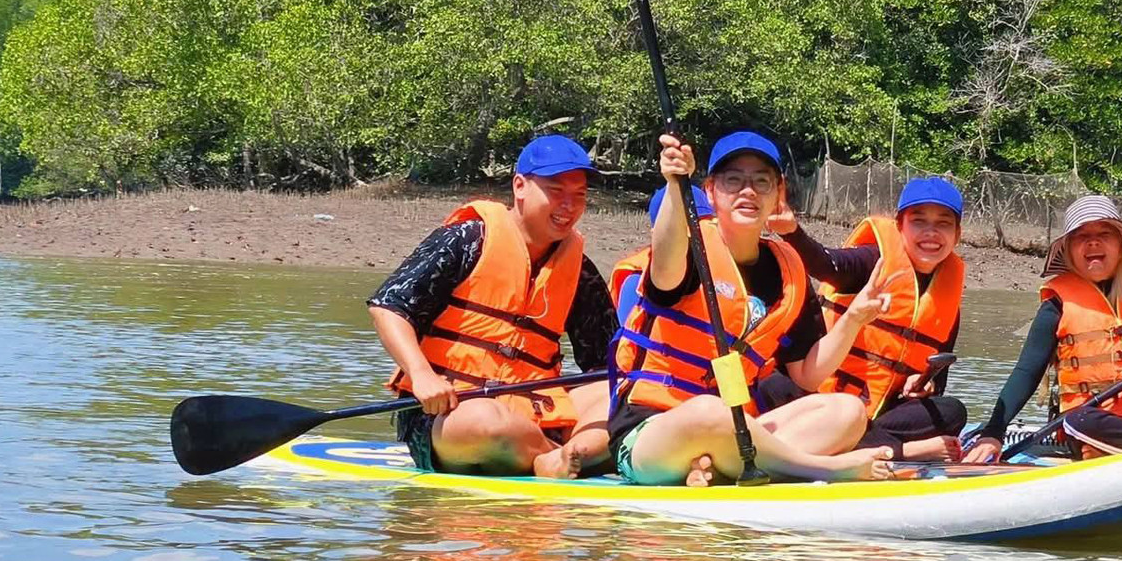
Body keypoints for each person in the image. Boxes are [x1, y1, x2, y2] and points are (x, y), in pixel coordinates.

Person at [604, 130, 897, 486]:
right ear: (710, 191)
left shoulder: (789, 269)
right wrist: (675, 185)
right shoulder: (689, 250)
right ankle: (823, 469)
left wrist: (854, 318)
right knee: (709, 412)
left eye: (761, 182)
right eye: (734, 181)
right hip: (651, 432)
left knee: (847, 411)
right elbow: (664, 269)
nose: (748, 191)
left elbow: (808, 375)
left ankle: (720, 468)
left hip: (738, 430)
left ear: (778, 194)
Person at [367, 134, 616, 478]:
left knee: (619, 395)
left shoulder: (579, 271)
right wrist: (422, 375)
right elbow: (388, 307)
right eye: (556, 191)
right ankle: (561, 457)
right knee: (485, 421)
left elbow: (605, 363)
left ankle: (560, 454)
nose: (568, 206)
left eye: (580, 195)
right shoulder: (467, 240)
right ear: (520, 186)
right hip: (450, 414)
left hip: (538, 411)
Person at [965, 194, 1122, 462]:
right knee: (1080, 418)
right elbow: (1027, 372)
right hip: (1097, 426)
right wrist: (993, 432)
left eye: (1105, 233)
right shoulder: (1056, 305)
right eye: (1081, 236)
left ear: (1120, 244)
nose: (1093, 242)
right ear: (1069, 250)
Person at [779, 176, 970, 462]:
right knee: (777, 385)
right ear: (899, 226)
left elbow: (938, 380)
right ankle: (900, 451)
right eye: (919, 221)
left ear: (957, 235)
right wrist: (792, 232)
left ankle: (859, 444)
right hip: (823, 401)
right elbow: (825, 264)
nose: (931, 233)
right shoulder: (871, 261)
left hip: (881, 413)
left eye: (943, 224)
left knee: (952, 411)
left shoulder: (947, 300)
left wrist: (923, 384)